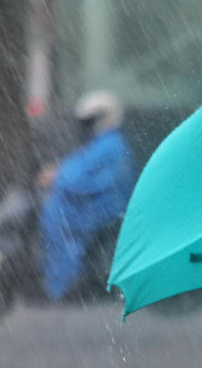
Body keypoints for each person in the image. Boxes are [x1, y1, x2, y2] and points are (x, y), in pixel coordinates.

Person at [38, 90, 136, 301]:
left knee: (58, 223)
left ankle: (63, 283)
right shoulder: (107, 142)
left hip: (101, 207)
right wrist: (60, 172)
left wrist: (57, 176)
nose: (86, 126)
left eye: (90, 121)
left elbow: (79, 177)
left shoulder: (109, 145)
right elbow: (79, 167)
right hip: (101, 205)